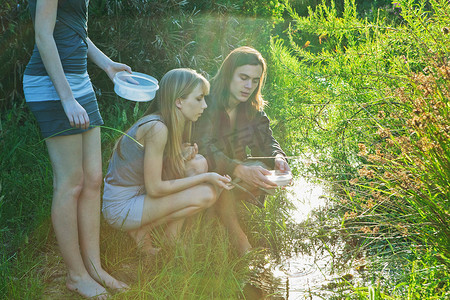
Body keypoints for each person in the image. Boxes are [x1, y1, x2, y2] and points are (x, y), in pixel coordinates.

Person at [22, 0, 131, 298]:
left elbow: (74, 28)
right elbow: (43, 34)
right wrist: (67, 99)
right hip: (51, 83)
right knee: (71, 183)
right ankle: (76, 274)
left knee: (93, 179)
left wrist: (107, 64)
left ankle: (94, 268)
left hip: (79, 81)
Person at [102, 68, 233, 256]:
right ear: (178, 101)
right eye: (199, 98)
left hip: (139, 194)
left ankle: (171, 237)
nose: (204, 105)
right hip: (121, 208)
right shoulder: (156, 128)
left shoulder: (169, 123)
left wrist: (179, 155)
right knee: (206, 193)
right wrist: (208, 177)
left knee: (198, 162)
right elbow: (155, 188)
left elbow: (151, 167)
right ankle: (141, 230)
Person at [193, 46, 290, 256]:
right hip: (198, 172)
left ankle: (222, 213)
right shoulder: (206, 103)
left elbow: (267, 141)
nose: (249, 86)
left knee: (263, 170)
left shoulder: (251, 107)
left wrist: (278, 158)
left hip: (230, 175)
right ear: (229, 74)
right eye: (243, 77)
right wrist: (237, 169)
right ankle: (240, 240)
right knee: (223, 177)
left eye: (255, 80)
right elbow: (203, 147)